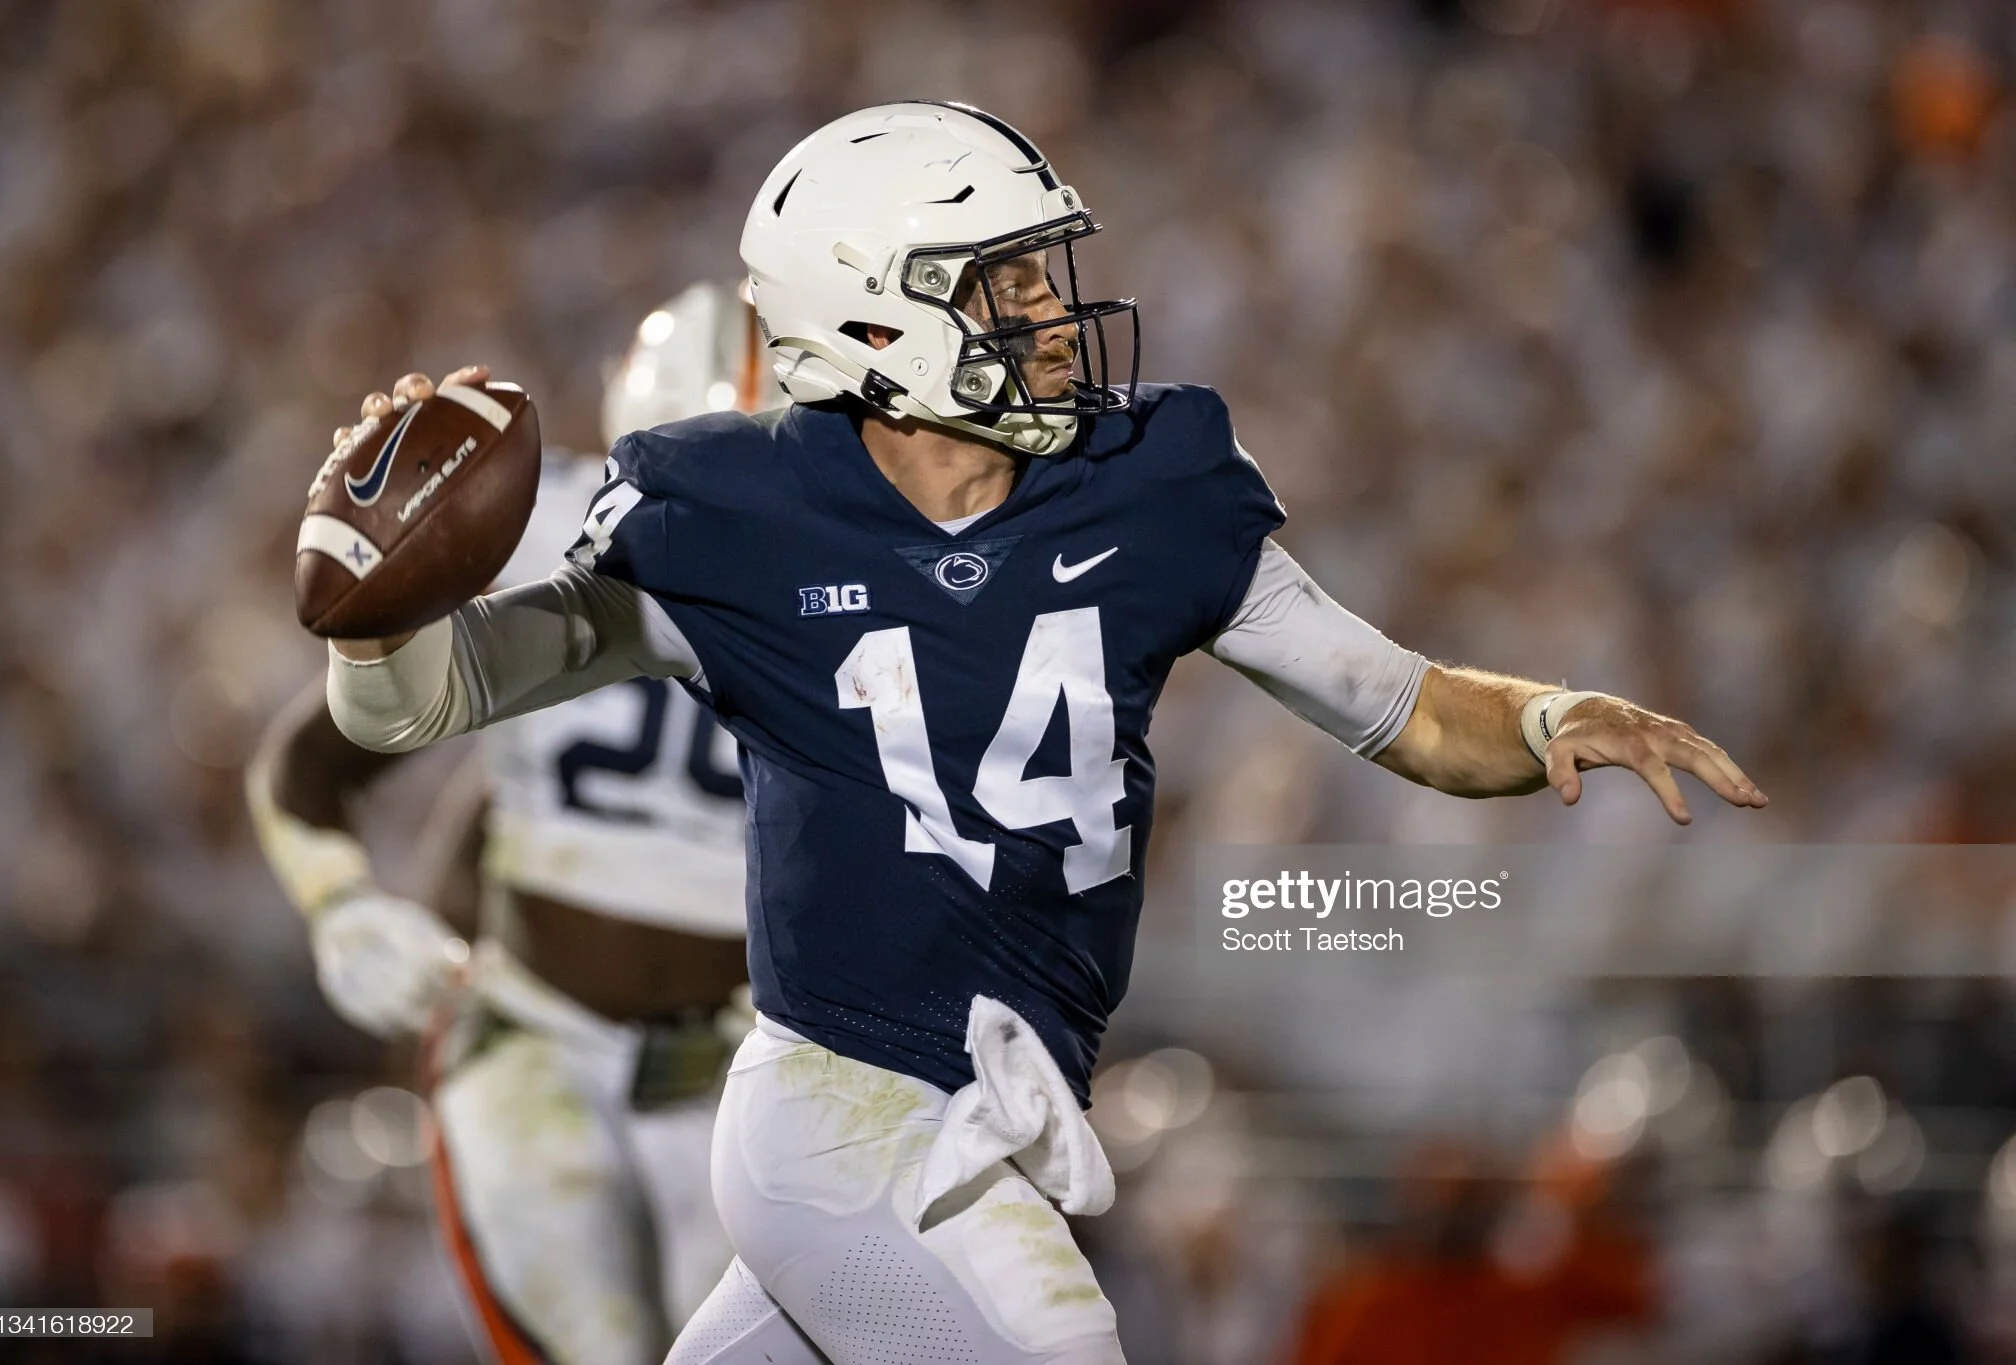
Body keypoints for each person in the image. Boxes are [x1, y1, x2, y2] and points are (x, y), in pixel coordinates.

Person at [311, 101, 1767, 1364]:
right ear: (871, 316)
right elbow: (429, 698)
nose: (1052, 312)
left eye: (1041, 271)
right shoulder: (729, 516)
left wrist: (1546, 712)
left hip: (980, 1109)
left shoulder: (1152, 481)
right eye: (999, 282)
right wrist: (373, 619)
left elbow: (1405, 709)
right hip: (851, 1112)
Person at [248, 281, 777, 1365]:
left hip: (748, 1070)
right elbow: (313, 759)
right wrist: (341, 904)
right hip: (539, 1043)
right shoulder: (543, 532)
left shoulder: (861, 582)